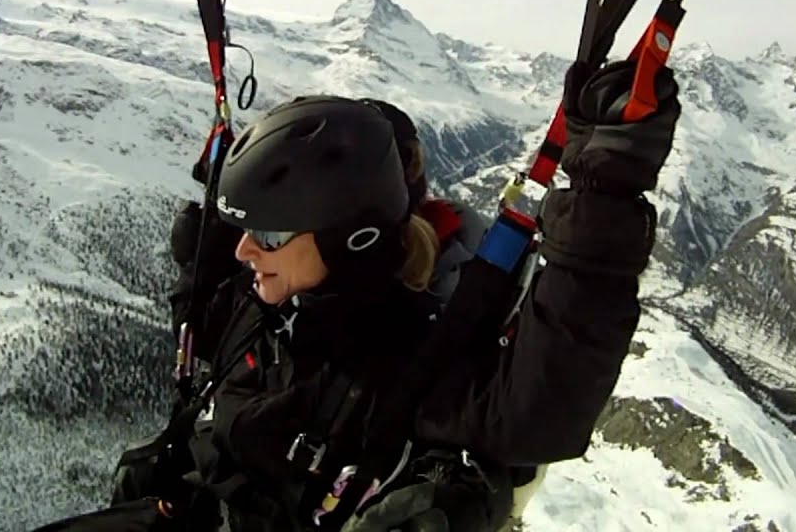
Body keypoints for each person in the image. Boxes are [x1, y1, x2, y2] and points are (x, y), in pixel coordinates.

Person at [36, 57, 679, 531]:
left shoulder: (419, 367)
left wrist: (605, 191)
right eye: (243, 230)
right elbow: (199, 320)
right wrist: (201, 242)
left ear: (351, 236)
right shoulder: (260, 309)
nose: (243, 252)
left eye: (266, 230)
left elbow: (544, 403)